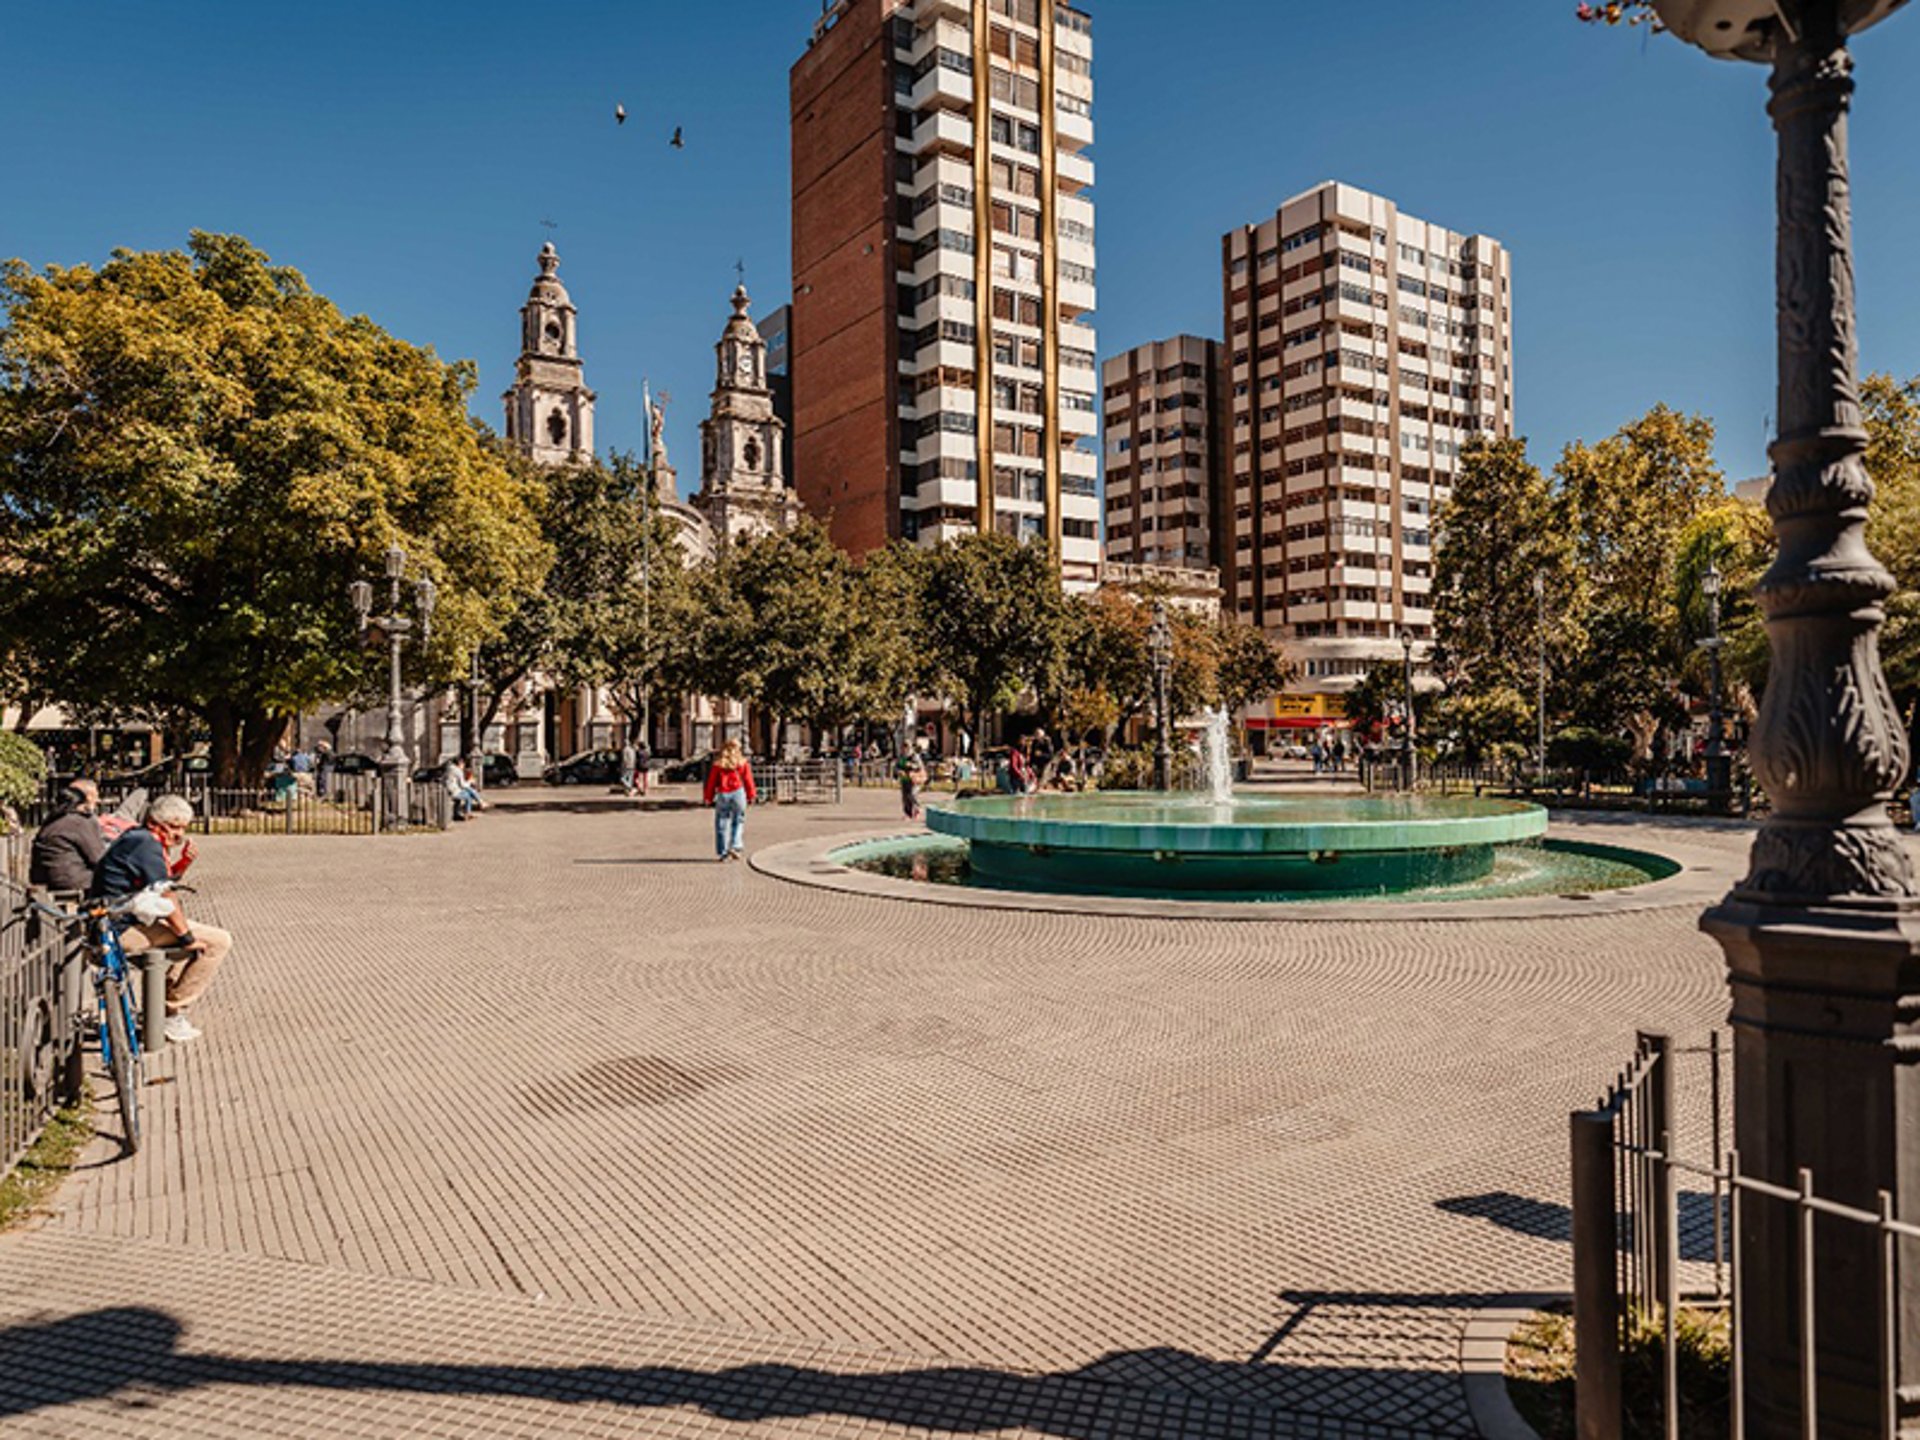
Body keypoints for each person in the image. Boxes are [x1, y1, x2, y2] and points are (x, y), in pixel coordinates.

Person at [92, 794, 232, 1044]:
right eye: (175, 827)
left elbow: (162, 881)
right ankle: (169, 1011)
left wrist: (184, 863)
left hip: (118, 920)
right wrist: (186, 937)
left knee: (188, 937)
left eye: (183, 828)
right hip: (120, 929)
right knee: (218, 941)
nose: (179, 835)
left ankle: (167, 1010)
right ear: (156, 822)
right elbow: (165, 895)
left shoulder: (138, 839)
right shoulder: (146, 844)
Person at [28, 781, 106, 893]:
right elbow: (98, 858)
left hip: (45, 880)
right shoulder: (80, 821)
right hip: (74, 880)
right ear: (82, 803)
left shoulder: (50, 822)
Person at [703, 739, 756, 861]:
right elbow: (748, 781)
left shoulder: (718, 764)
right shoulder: (743, 763)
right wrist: (751, 795)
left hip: (723, 794)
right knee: (738, 820)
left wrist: (708, 797)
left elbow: (711, 783)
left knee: (721, 822)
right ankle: (735, 846)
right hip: (738, 793)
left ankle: (723, 852)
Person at [897, 748, 928, 821]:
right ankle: (908, 814)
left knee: (912, 794)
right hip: (904, 779)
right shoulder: (901, 757)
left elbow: (919, 766)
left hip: (914, 779)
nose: (905, 750)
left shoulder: (914, 756)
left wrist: (910, 765)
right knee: (905, 797)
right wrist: (898, 771)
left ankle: (917, 808)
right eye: (904, 748)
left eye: (907, 748)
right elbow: (897, 766)